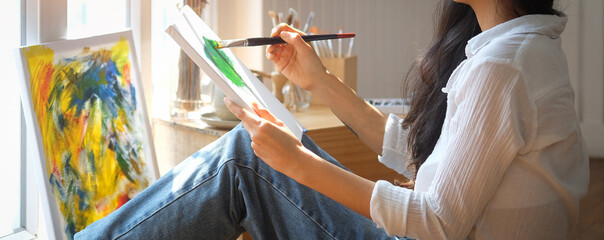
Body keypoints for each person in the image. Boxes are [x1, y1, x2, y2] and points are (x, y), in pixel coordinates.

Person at [76, 0, 589, 239]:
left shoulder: (501, 67)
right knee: (251, 156)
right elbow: (420, 153)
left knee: (243, 161)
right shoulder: (522, 48)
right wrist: (318, 80)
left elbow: (435, 221)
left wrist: (297, 163)